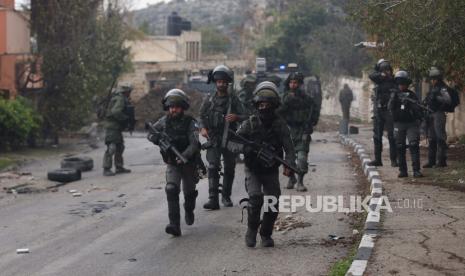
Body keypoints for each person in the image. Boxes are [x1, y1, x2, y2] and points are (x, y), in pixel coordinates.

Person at [233, 81, 296, 247]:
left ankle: (266, 233)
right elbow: (232, 142)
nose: (263, 108)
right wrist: (245, 148)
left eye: (267, 104)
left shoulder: (280, 124)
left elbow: (289, 148)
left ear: (274, 105)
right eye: (260, 104)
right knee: (255, 198)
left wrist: (289, 165)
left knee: (273, 201)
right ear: (256, 104)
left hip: (270, 170)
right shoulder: (250, 123)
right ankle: (252, 229)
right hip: (252, 169)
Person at [147, 89, 200, 237]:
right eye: (170, 107)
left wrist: (184, 155)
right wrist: (155, 139)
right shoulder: (164, 121)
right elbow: (151, 133)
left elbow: (194, 143)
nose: (173, 109)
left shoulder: (191, 123)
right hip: (172, 163)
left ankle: (189, 210)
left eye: (176, 106)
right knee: (171, 189)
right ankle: (174, 225)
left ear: (182, 107)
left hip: (188, 163)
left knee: (189, 193)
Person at [199, 65, 246, 209]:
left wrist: (236, 117)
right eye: (219, 82)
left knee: (230, 167)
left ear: (227, 83)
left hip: (230, 138)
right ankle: (213, 198)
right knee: (213, 167)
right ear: (215, 83)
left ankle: (226, 196)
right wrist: (202, 128)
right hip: (213, 138)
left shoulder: (234, 100)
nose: (221, 84)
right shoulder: (209, 99)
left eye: (224, 82)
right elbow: (200, 116)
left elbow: (247, 116)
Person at [278, 72, 313, 192]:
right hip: (288, 130)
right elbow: (278, 113)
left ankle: (300, 181)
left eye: (295, 83)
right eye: (291, 83)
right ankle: (291, 178)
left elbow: (312, 114)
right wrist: (287, 102)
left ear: (300, 84)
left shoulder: (306, 98)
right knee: (289, 159)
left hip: (302, 130)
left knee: (302, 158)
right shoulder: (284, 97)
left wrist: (308, 128)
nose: (293, 85)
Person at [388, 71, 423, 178]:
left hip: (411, 124)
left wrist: (410, 104)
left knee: (413, 144)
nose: (401, 86)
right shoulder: (394, 94)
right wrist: (394, 98)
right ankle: (403, 171)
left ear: (407, 84)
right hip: (399, 124)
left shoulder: (411, 95)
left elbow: (418, 110)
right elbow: (389, 107)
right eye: (399, 83)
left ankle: (416, 170)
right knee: (400, 146)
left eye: (403, 83)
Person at [368, 59, 398, 167]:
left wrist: (388, 76)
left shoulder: (394, 81)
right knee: (377, 136)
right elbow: (371, 75)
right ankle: (377, 159)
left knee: (392, 136)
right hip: (378, 111)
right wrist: (382, 74)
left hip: (389, 111)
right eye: (384, 70)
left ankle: (394, 160)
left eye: (387, 69)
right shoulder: (379, 79)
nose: (386, 72)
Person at [102, 83, 134, 176]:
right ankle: (106, 168)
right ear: (126, 91)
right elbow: (116, 111)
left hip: (116, 127)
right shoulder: (120, 99)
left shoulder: (121, 98)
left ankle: (119, 167)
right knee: (111, 147)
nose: (130, 93)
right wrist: (125, 118)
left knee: (120, 147)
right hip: (112, 127)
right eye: (129, 91)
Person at [423, 67, 452, 168]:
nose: (432, 81)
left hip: (439, 114)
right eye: (431, 79)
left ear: (437, 79)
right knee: (432, 138)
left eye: (433, 79)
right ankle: (431, 161)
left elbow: (447, 100)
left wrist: (436, 97)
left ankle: (442, 161)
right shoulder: (434, 88)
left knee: (440, 138)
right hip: (431, 114)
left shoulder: (442, 88)